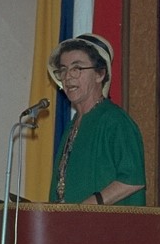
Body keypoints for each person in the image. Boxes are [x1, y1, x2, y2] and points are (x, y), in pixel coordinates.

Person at [46, 33, 146, 205]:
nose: (68, 76)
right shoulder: (72, 126)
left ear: (100, 74)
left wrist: (87, 207)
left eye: (77, 68)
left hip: (101, 223)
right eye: (63, 69)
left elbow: (132, 180)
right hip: (69, 221)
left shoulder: (115, 120)